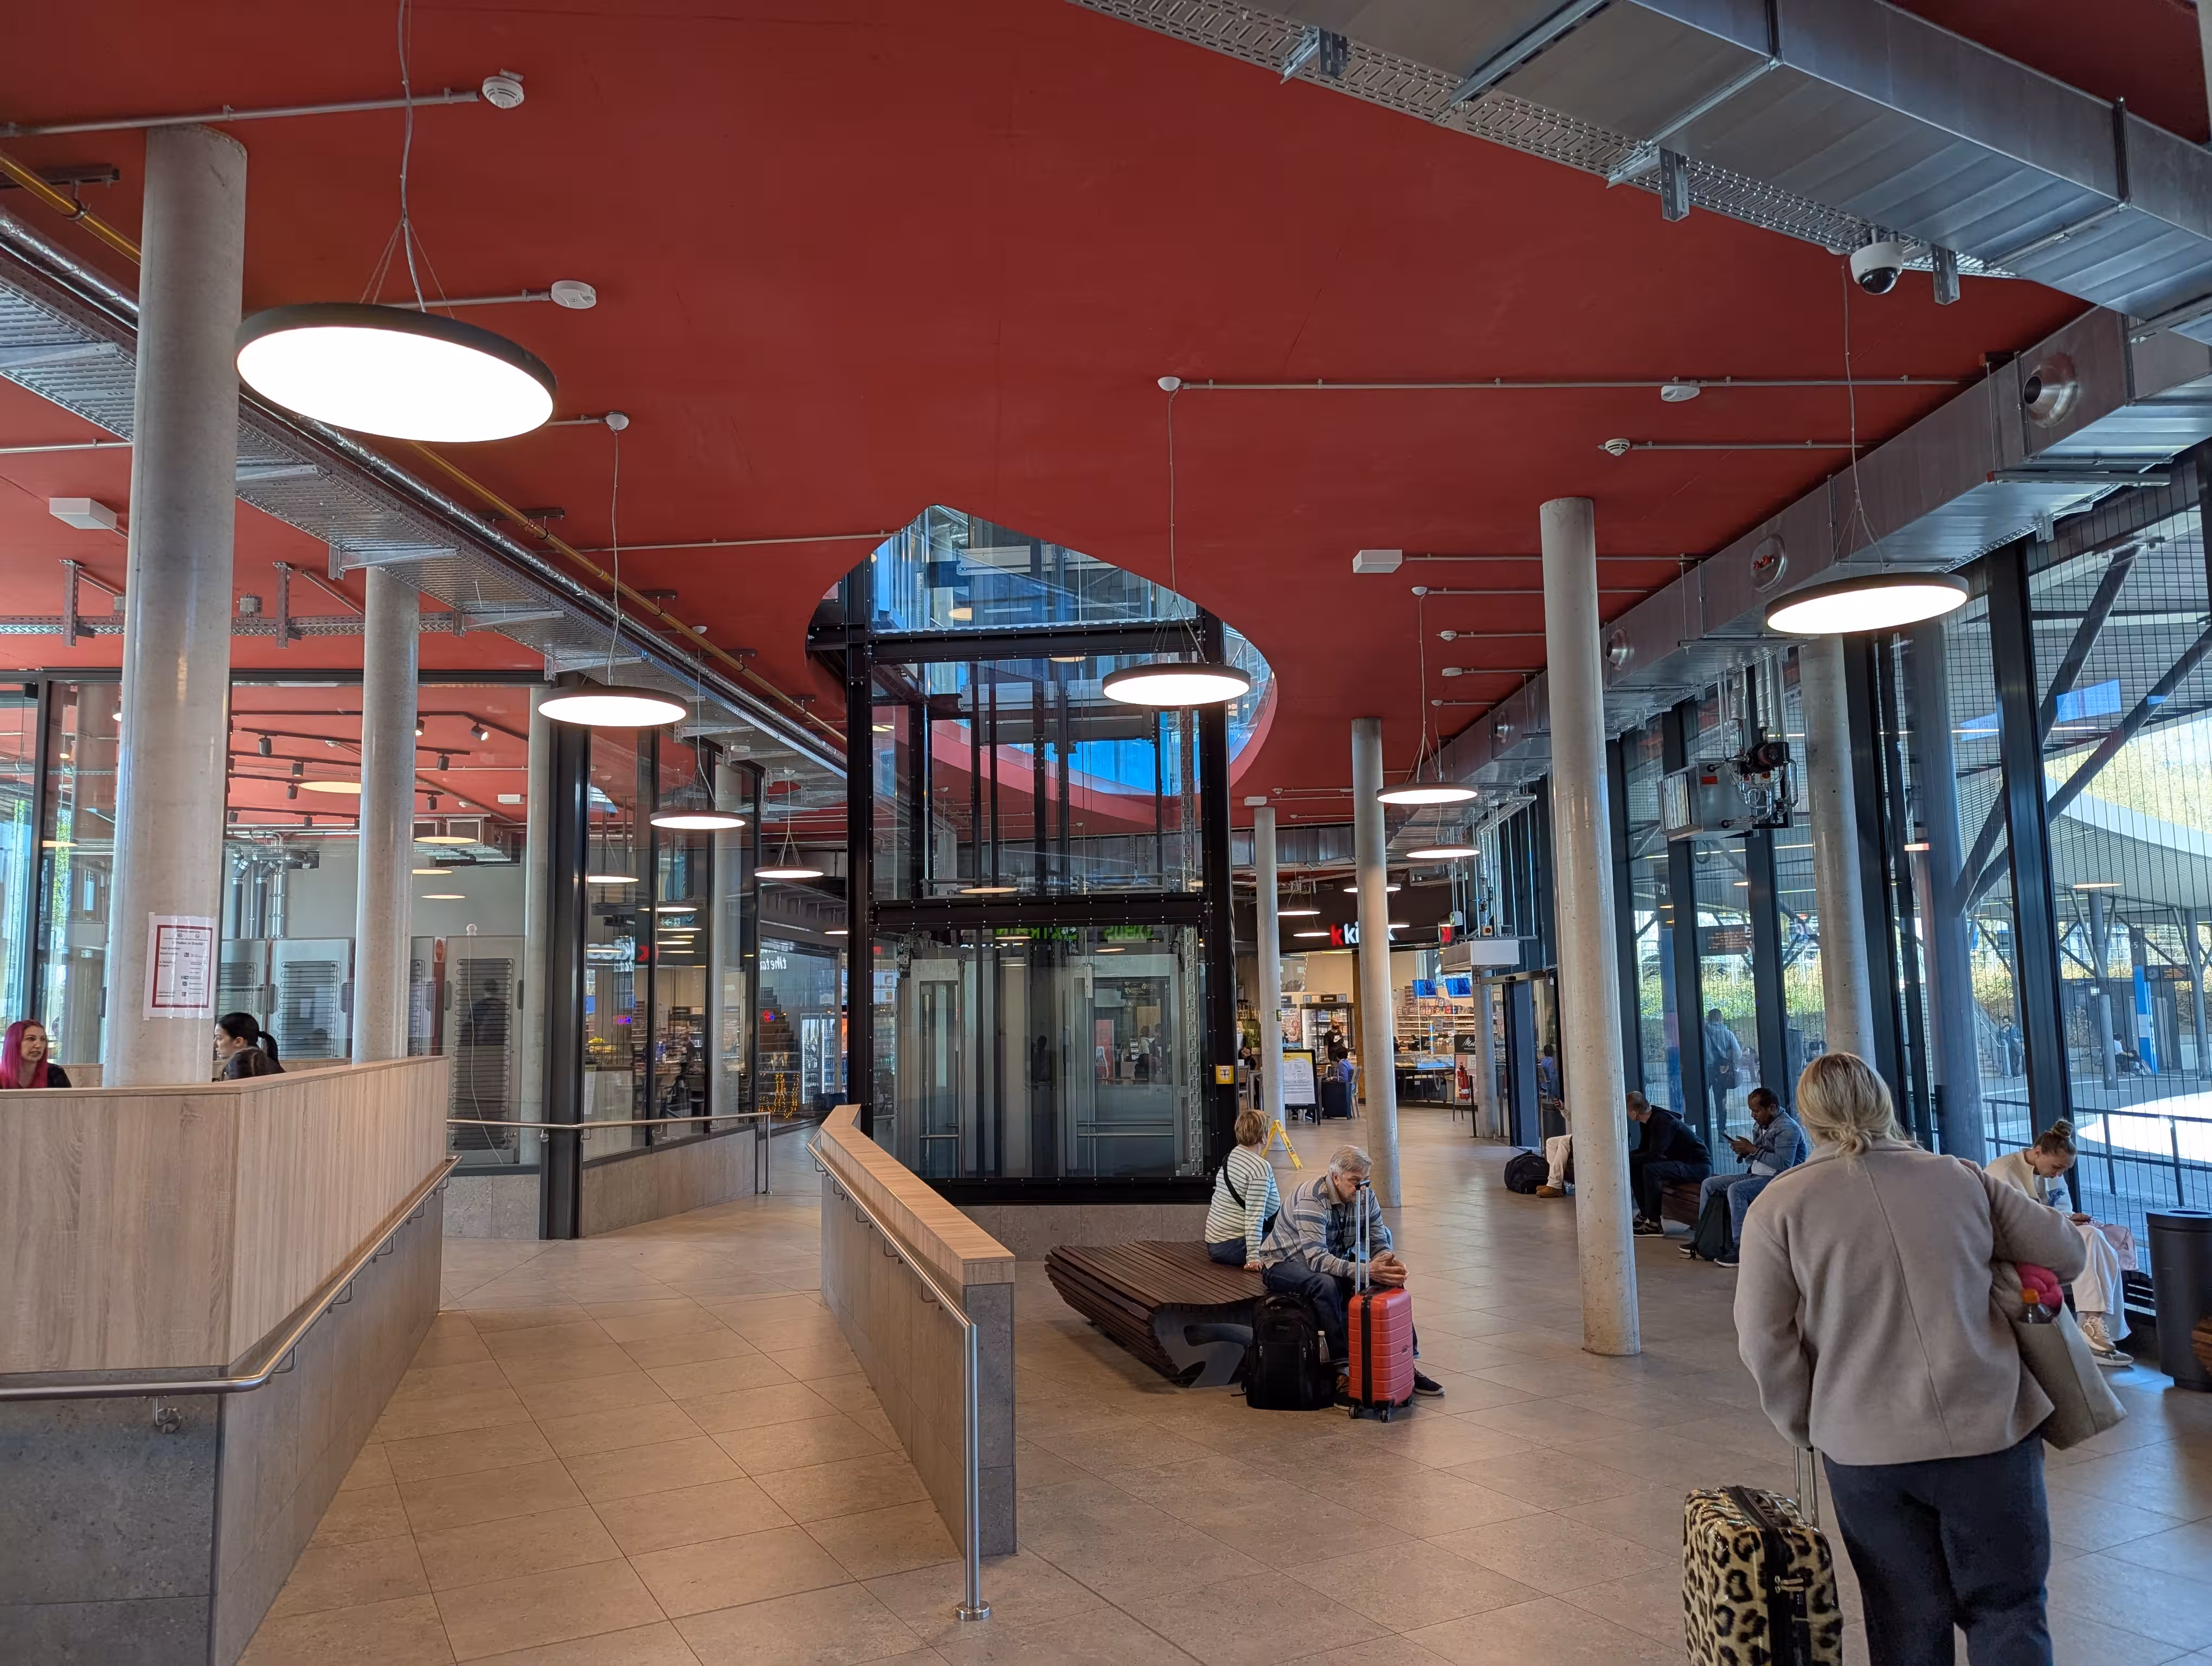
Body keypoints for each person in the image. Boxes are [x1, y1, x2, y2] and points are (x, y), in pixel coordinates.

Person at [1736, 1052, 2085, 1666]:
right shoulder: (1959, 1177)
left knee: (1904, 1621)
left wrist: (1804, 1422)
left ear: (1809, 1116)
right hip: (1990, 1429)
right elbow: (2068, 1253)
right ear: (1883, 1104)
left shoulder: (1779, 1206)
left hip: (1864, 1444)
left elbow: (1764, 1336)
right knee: (2010, 1608)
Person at [1258, 1144, 1443, 1399]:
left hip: (1330, 1258)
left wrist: (1386, 1262)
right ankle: (1341, 1370)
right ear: (1335, 1177)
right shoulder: (1312, 1199)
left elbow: (1379, 1239)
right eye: (1355, 1181)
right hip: (1283, 1263)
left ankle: (1404, 1363)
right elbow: (1317, 1260)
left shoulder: (1366, 1195)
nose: (1362, 1188)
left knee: (1388, 1284)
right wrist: (1368, 1270)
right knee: (1326, 1284)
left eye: (1365, 1180)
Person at [1986, 1122, 2130, 1364]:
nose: (2059, 1175)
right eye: (2057, 1167)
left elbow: (2061, 1209)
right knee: (2090, 1239)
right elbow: (2006, 1220)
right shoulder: (2003, 1171)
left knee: (2096, 1239)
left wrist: (2071, 1219)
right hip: (2012, 1244)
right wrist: (2063, 1221)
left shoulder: (2049, 1173)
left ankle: (2094, 1321)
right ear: (2038, 1152)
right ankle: (2093, 1326)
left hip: (2045, 1236)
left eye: (2065, 1170)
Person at [1682, 1085, 1806, 1265]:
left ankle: (1740, 1248)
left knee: (1736, 1190)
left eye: (1756, 1111)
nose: (1753, 1115)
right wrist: (1745, 1152)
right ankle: (1702, 1239)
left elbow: (1784, 1164)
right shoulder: (1761, 1125)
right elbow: (1756, 1159)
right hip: (1757, 1175)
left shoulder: (1787, 1129)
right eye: (1752, 1111)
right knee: (1709, 1184)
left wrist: (1753, 1149)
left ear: (1772, 1108)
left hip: (1781, 1180)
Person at [1625, 1090, 1710, 1234]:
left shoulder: (1663, 1121)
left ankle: (1654, 1223)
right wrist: (1629, 1158)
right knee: (1636, 1165)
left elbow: (1655, 1155)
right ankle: (1646, 1214)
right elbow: (1645, 1150)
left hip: (1697, 1166)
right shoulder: (1648, 1121)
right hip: (1680, 1162)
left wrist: (1630, 1159)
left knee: (1650, 1169)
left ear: (1634, 1113)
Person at [1205, 1107, 1281, 1267]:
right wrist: (1253, 1257)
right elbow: (1255, 1215)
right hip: (1234, 1245)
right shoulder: (1259, 1168)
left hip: (1216, 1242)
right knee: (1294, 1243)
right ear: (1264, 1137)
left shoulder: (1232, 1156)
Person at [0, 1019, 70, 1088]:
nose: (39, 1045)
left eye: (43, 1039)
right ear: (14, 1043)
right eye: (31, 1039)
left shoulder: (55, 1074)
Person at [1703, 1008, 1744, 1126]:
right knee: (1721, 1102)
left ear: (1709, 1018)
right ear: (1720, 1019)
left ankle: (1702, 1127)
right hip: (1722, 1070)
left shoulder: (1702, 1034)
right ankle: (1722, 1129)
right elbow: (1738, 1054)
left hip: (1706, 1070)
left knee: (1702, 1099)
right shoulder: (1728, 1034)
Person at [214, 1012, 284, 1079]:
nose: (214, 1044)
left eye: (219, 1038)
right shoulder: (265, 1063)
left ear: (238, 1042)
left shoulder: (244, 1067)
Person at [1535, 1098, 1572, 1198]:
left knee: (1564, 1141)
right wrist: (1563, 1108)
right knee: (1551, 1142)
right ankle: (1557, 1183)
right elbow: (1572, 1119)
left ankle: (1555, 1185)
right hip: (1579, 1134)